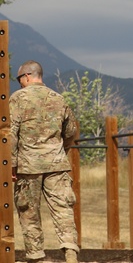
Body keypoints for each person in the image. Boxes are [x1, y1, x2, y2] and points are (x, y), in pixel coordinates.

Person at [10, 60, 80, 263]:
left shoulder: (17, 99)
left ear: (27, 76)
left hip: (27, 165)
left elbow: (11, 134)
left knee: (28, 211)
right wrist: (60, 151)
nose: (19, 83)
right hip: (57, 165)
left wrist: (11, 164)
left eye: (19, 79)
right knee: (63, 208)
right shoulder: (58, 99)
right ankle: (70, 252)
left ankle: (36, 256)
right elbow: (70, 132)